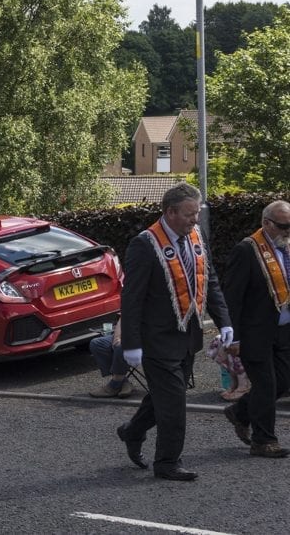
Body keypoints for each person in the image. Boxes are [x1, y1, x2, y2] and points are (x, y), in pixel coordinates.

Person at [116, 182, 232, 481]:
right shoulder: (144, 244)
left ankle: (132, 431)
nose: (196, 219)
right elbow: (132, 297)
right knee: (174, 406)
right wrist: (131, 343)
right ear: (170, 212)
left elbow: (211, 280)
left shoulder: (194, 235)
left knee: (164, 397)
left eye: (197, 213)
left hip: (187, 335)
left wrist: (226, 322)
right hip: (156, 341)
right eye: (190, 214)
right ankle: (167, 463)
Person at [222, 200, 290, 458]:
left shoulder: (287, 247)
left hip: (283, 330)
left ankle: (240, 412)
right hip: (254, 332)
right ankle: (263, 441)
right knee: (265, 385)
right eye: (283, 226)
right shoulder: (246, 250)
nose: (288, 231)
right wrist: (234, 336)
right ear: (266, 223)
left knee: (283, 381)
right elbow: (233, 297)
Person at [88, 319, 134, 398]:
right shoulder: (132, 306)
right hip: (128, 335)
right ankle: (123, 382)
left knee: (122, 347)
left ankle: (114, 386)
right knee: (97, 344)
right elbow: (122, 319)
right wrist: (117, 337)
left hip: (145, 339)